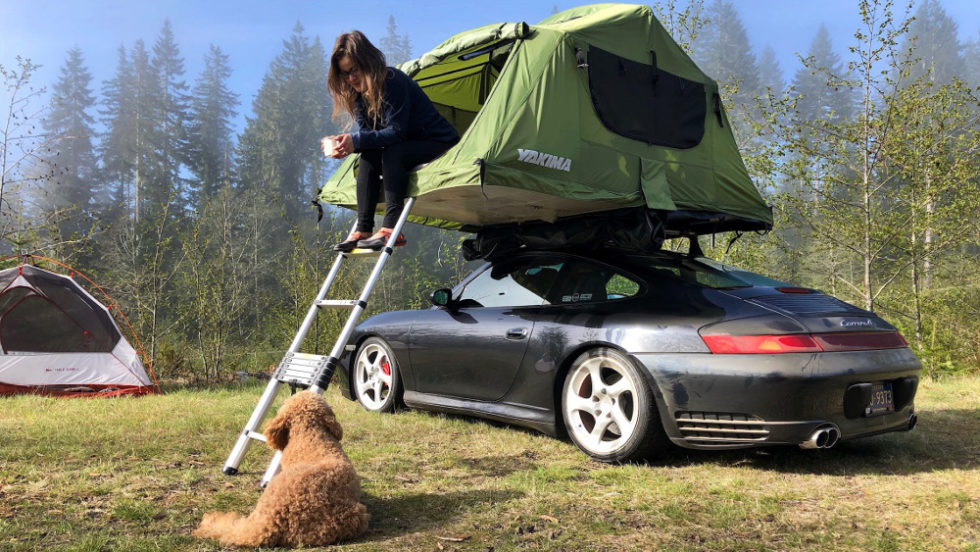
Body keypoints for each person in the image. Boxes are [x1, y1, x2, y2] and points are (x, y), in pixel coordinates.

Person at [323, 31, 459, 251]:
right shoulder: (358, 96)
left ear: (367, 62)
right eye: (345, 74)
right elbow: (370, 139)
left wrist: (356, 140)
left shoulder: (392, 81)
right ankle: (364, 228)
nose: (351, 79)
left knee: (392, 152)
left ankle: (390, 229)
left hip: (438, 141)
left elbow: (396, 132)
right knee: (369, 154)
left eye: (354, 70)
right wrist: (346, 145)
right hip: (407, 144)